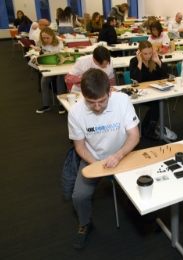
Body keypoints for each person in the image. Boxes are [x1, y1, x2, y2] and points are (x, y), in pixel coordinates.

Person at [68, 68, 140, 249]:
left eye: (102, 101)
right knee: (79, 196)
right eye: (91, 103)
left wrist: (118, 155)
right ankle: (85, 223)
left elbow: (134, 136)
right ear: (83, 95)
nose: (98, 107)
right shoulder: (75, 112)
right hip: (93, 157)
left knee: (142, 183)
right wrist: (97, 164)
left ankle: (139, 210)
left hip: (123, 153)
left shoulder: (122, 100)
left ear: (110, 91)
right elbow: (80, 146)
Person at [129, 40, 168, 139]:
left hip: (155, 91)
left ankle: (147, 128)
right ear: (139, 52)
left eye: (150, 53)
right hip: (141, 93)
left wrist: (158, 62)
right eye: (145, 53)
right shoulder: (134, 61)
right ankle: (148, 128)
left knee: (157, 101)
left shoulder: (154, 59)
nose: (148, 56)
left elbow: (166, 75)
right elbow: (136, 79)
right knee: (156, 103)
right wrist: (140, 62)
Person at [30, 27, 66, 114]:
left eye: (47, 38)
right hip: (50, 68)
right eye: (43, 38)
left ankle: (62, 104)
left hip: (60, 67)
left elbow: (61, 57)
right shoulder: (43, 44)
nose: (45, 40)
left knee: (60, 79)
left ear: (52, 37)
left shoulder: (59, 43)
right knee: (44, 81)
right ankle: (46, 105)